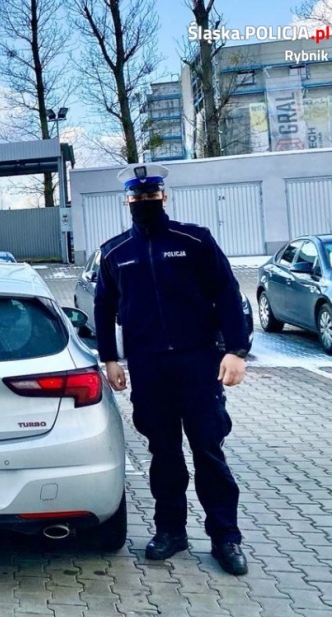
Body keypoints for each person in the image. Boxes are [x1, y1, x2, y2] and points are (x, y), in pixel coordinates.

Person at [93, 164, 249, 575]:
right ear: (127, 201)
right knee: (163, 454)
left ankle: (225, 537)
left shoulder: (194, 240)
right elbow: (104, 307)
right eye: (137, 197)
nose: (144, 202)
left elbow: (227, 293)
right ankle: (170, 531)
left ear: (164, 197)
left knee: (208, 451)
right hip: (149, 367)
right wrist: (110, 359)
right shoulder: (115, 252)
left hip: (198, 363)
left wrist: (236, 350)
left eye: (151, 195)